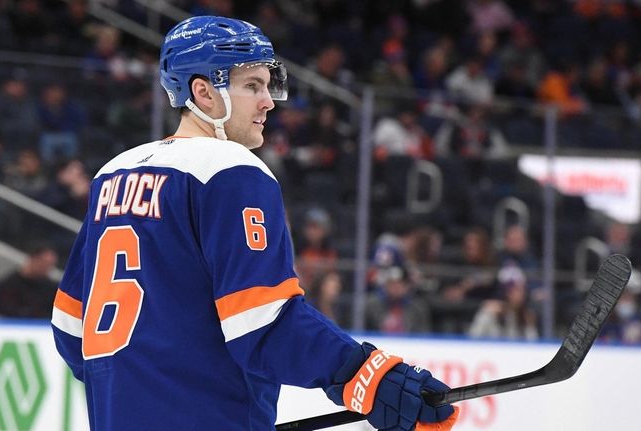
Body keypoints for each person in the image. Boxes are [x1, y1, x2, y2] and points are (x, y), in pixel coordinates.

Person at [51, 16, 459, 431]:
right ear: (203, 92)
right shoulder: (230, 169)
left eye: (268, 85)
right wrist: (367, 374)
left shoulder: (113, 174)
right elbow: (264, 324)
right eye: (252, 86)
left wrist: (145, 396)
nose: (268, 101)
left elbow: (70, 328)